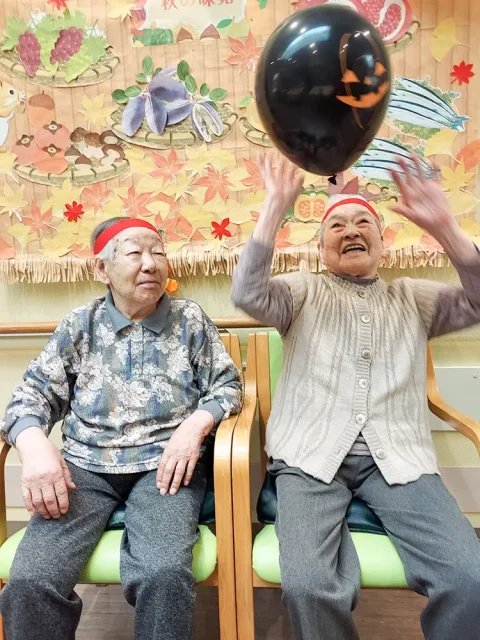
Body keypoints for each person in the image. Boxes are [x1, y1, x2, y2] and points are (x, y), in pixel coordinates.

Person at [231, 153, 480, 640]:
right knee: (308, 586)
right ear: (320, 248)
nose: (351, 231)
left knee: (468, 578)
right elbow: (248, 295)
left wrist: (446, 228)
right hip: (308, 458)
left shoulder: (413, 298)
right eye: (337, 225)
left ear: (383, 244)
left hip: (400, 460)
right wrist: (274, 208)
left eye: (363, 222)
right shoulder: (302, 292)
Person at [0, 217, 242, 640]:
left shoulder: (189, 319)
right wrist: (35, 447)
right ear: (102, 269)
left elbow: (228, 386)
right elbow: (30, 397)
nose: (150, 264)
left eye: (158, 252)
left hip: (167, 468)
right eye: (135, 253)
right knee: (31, 580)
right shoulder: (80, 324)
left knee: (163, 573)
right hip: (83, 470)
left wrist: (195, 426)